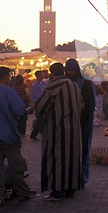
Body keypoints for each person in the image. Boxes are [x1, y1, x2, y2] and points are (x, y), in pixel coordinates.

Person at [35, 62, 83, 201]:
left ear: (51, 73)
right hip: (74, 129)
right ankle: (70, 189)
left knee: (56, 159)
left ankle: (57, 191)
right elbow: (81, 105)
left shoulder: (53, 86)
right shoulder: (74, 85)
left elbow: (40, 107)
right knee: (72, 158)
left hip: (57, 130)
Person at [0, 66, 31, 205]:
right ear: (5, 76)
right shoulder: (9, 91)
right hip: (8, 134)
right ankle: (22, 191)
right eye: (9, 75)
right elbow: (19, 111)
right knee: (16, 164)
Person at [65, 58, 96, 186]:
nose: (70, 72)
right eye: (68, 70)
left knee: (82, 150)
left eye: (72, 70)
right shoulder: (65, 83)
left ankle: (81, 178)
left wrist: (84, 119)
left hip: (82, 122)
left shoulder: (86, 83)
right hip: (69, 123)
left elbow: (90, 104)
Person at [29, 70, 46, 141]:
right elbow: (36, 96)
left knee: (40, 119)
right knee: (40, 119)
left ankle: (34, 134)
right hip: (38, 103)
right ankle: (40, 133)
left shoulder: (43, 83)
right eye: (41, 74)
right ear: (38, 76)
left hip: (44, 102)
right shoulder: (35, 85)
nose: (43, 76)